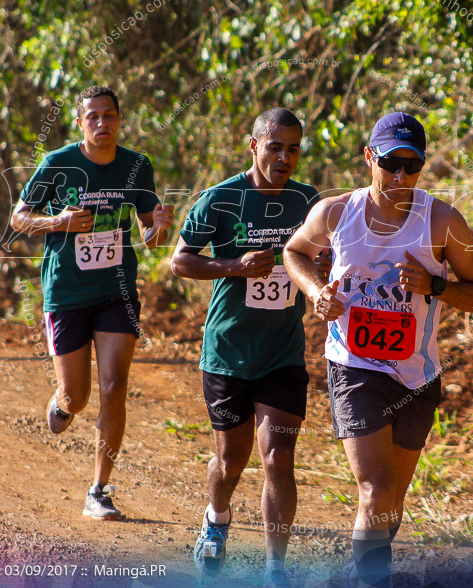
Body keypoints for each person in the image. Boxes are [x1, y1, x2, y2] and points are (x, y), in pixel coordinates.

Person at [284, 112, 473, 588]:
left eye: (411, 166)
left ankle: (355, 574)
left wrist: (436, 285)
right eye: (389, 163)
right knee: (375, 492)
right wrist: (317, 291)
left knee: (391, 501)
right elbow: (294, 252)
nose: (399, 176)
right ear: (368, 158)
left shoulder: (441, 220)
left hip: (417, 375)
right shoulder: (335, 213)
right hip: (354, 367)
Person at [170, 108, 328, 588]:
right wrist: (234, 266)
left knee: (278, 456)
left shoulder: (308, 202)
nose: (285, 157)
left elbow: (329, 254)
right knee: (231, 460)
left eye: (294, 148)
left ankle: (275, 568)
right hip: (228, 352)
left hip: (282, 353)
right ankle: (216, 518)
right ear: (253, 146)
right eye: (275, 147)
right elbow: (180, 262)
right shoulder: (220, 199)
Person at [10, 85, 173, 520]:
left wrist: (158, 225)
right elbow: (18, 218)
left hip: (116, 291)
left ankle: (99, 489)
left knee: (114, 387)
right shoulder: (57, 164)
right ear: (80, 123)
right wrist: (58, 221)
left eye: (110, 115)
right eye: (93, 117)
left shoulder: (138, 167)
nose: (103, 124)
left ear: (120, 119)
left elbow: (151, 239)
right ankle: (62, 402)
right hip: (67, 291)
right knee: (79, 396)